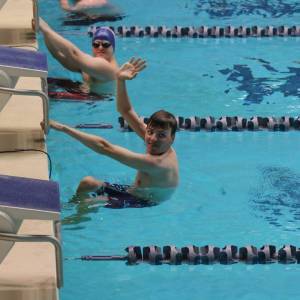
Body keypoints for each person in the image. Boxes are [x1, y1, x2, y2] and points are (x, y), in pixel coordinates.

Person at [46, 58, 179, 208]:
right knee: (87, 184)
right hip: (137, 190)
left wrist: (64, 128)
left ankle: (72, 217)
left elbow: (105, 147)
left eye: (161, 135)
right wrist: (120, 80)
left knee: (91, 201)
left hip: (144, 200)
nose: (152, 139)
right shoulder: (160, 144)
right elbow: (126, 111)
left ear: (171, 139)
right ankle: (74, 209)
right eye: (150, 132)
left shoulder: (157, 163)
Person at [39, 18, 118, 96]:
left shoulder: (106, 67)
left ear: (113, 47)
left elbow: (74, 54)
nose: (100, 48)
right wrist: (46, 34)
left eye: (105, 44)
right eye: (96, 44)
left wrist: (46, 30)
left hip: (100, 101)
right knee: (42, 82)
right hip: (89, 95)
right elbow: (59, 57)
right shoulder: (90, 62)